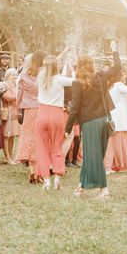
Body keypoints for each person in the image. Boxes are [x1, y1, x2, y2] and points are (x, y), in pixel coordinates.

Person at [66, 43, 121, 198]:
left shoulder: (77, 83)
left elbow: (75, 108)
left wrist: (67, 128)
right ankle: (81, 186)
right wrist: (114, 50)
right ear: (91, 65)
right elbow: (117, 67)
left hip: (90, 123)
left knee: (93, 157)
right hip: (104, 120)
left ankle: (104, 190)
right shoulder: (101, 77)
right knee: (95, 156)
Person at [36, 49, 74, 190]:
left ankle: (46, 179)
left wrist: (63, 53)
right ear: (56, 66)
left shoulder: (40, 77)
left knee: (42, 147)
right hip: (56, 113)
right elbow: (76, 81)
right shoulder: (60, 80)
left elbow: (50, 64)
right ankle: (57, 176)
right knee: (56, 146)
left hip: (42, 113)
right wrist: (69, 62)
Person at [16, 51, 46, 183]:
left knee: (28, 138)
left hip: (28, 110)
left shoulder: (24, 75)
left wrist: (18, 108)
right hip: (41, 109)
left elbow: (19, 94)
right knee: (39, 139)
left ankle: (32, 170)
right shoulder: (43, 75)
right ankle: (37, 171)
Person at [1, 68, 19, 164]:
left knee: (12, 136)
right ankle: (7, 157)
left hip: (15, 113)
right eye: (12, 75)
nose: (14, 77)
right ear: (8, 76)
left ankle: (10, 156)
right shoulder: (5, 85)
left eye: (16, 75)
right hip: (7, 112)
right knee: (7, 135)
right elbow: (8, 97)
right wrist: (18, 96)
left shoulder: (16, 85)